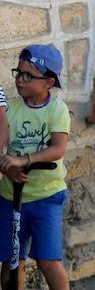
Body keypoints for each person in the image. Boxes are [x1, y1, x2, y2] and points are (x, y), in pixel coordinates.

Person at [0, 46, 69, 290]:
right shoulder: (11, 110)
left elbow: (58, 148)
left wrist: (23, 160)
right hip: (10, 197)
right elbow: (1, 147)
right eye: (18, 73)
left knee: (47, 260)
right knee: (11, 261)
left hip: (46, 197)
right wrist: (6, 167)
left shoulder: (57, 110)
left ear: (48, 82)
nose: (20, 80)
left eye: (28, 75)